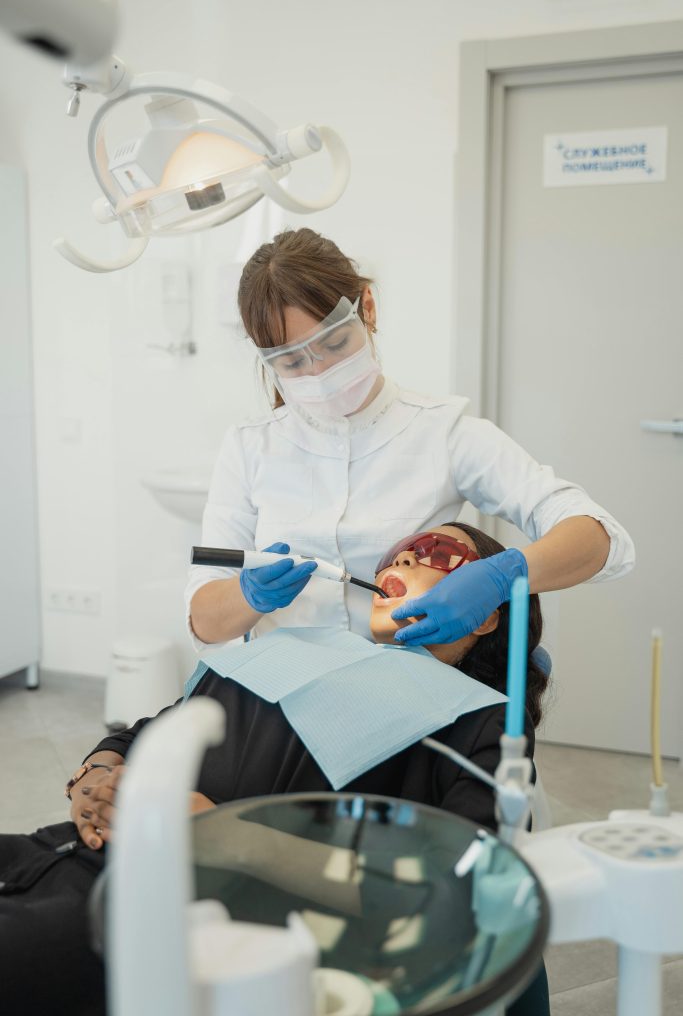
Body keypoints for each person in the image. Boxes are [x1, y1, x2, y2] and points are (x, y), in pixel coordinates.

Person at [1, 523, 549, 1016]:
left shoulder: (480, 721)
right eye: (399, 553)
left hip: (186, 920)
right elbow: (142, 733)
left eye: (433, 553)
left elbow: (456, 888)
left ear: (487, 610)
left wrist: (229, 837)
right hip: (66, 852)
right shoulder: (288, 646)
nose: (401, 561)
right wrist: (95, 775)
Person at [185, 227, 634, 655]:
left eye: (336, 344)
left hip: (409, 696)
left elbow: (602, 540)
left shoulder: (445, 433)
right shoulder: (249, 448)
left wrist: (504, 576)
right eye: (293, 363)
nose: (320, 374)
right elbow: (204, 622)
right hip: (281, 701)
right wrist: (248, 597)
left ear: (368, 308)